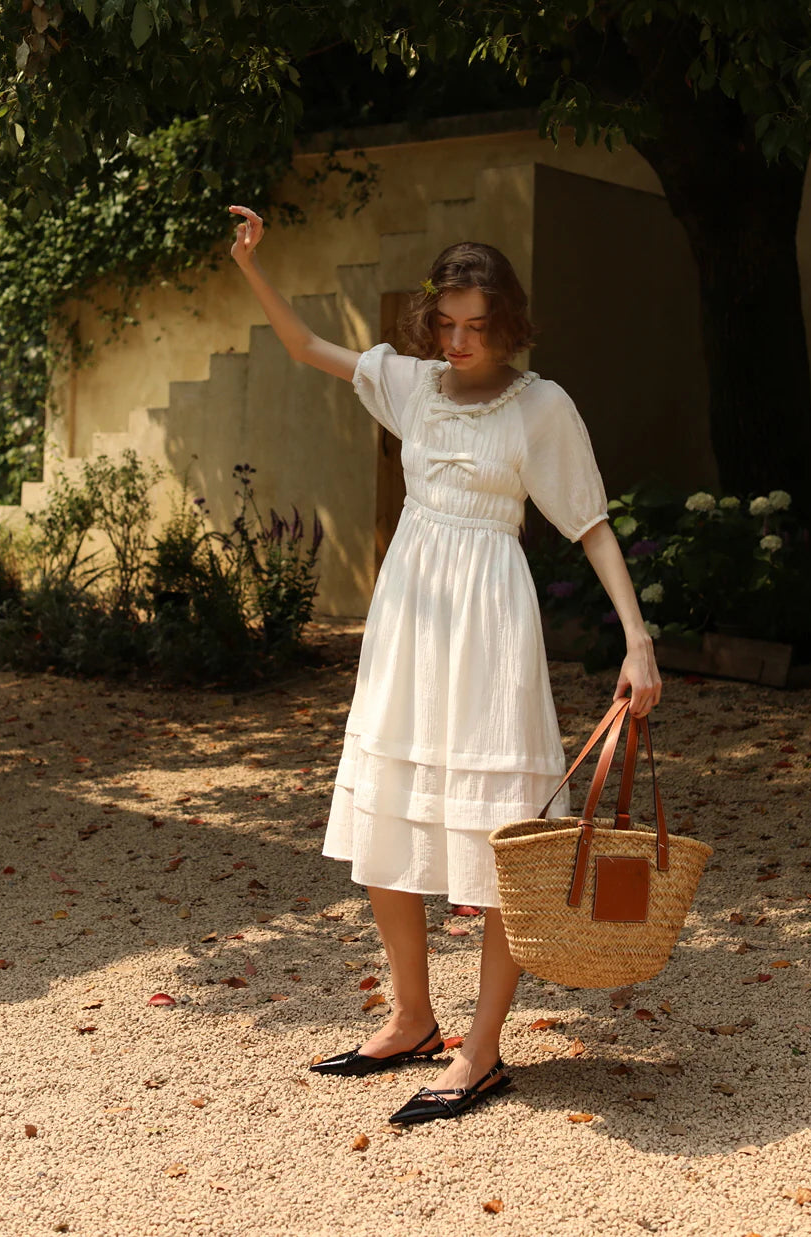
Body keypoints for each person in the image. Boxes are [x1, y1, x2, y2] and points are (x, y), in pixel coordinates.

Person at [228, 204, 662, 1125]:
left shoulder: (541, 406)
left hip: (490, 622)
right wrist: (253, 264)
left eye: (481, 327)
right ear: (432, 323)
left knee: (501, 828)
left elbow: (588, 522)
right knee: (390, 807)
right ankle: (413, 1016)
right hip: (409, 615)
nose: (462, 342)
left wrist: (637, 636)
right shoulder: (411, 383)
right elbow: (305, 345)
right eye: (449, 325)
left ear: (509, 323)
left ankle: (482, 1048)